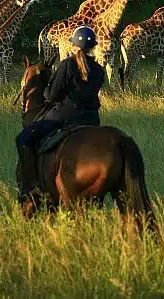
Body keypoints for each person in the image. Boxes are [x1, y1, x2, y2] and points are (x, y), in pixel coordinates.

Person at [16, 26, 105, 205]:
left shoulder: (67, 64)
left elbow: (52, 95)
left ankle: (29, 186)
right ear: (93, 47)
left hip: (64, 118)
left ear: (74, 45)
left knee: (23, 139)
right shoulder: (99, 69)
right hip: (91, 120)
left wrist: (47, 90)